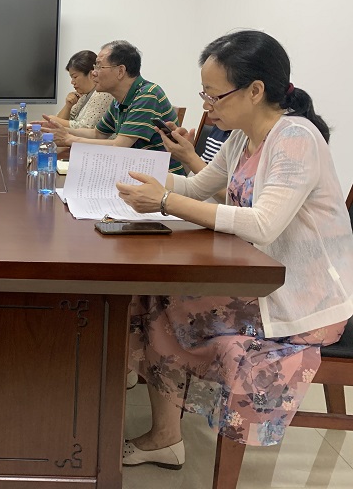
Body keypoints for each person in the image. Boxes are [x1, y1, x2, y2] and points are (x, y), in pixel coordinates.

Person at [116, 30, 353, 468]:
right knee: (150, 292)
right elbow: (197, 187)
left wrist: (164, 201)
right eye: (203, 93)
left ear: (255, 90)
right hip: (257, 275)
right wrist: (125, 175)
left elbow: (263, 224)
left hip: (297, 294)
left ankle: (166, 434)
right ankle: (166, 435)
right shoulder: (243, 137)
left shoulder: (295, 139)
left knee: (164, 299)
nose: (207, 105)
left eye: (215, 94)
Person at [42, 40, 185, 174]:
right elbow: (97, 133)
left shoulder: (148, 95)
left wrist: (68, 139)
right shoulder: (119, 100)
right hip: (134, 172)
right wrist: (59, 130)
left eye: (99, 66)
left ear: (120, 71)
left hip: (162, 179)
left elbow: (118, 147)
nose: (93, 73)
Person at [40, 50, 114, 129]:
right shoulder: (83, 95)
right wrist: (68, 106)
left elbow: (86, 127)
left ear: (91, 74)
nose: (72, 82)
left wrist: (53, 120)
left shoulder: (103, 93)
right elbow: (60, 122)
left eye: (75, 77)